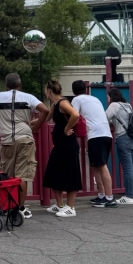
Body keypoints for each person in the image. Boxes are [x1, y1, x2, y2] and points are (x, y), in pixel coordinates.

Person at [0, 72, 47, 219]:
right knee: (22, 176)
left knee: (7, 175)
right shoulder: (29, 97)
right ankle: (20, 208)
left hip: (7, 140)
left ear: (6, 85)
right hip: (25, 139)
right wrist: (36, 127)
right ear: (19, 85)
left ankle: (7, 205)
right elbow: (45, 110)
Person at [71, 81, 116, 208]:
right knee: (95, 165)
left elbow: (74, 115)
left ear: (73, 91)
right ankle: (102, 195)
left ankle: (109, 197)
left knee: (101, 166)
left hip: (95, 135)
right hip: (106, 133)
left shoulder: (77, 99)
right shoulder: (95, 98)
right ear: (85, 89)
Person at [41, 80, 82, 218]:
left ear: (49, 91)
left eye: (46, 90)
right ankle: (60, 204)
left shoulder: (63, 103)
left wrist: (66, 128)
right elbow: (45, 118)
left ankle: (71, 207)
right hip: (59, 145)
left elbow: (75, 115)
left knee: (70, 173)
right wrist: (30, 123)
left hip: (68, 143)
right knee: (54, 172)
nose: (45, 92)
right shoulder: (55, 104)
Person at [106, 87, 133, 205]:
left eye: (108, 97)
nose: (107, 99)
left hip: (123, 138)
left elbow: (104, 118)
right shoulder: (128, 105)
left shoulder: (114, 105)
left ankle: (128, 196)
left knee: (128, 169)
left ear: (111, 96)